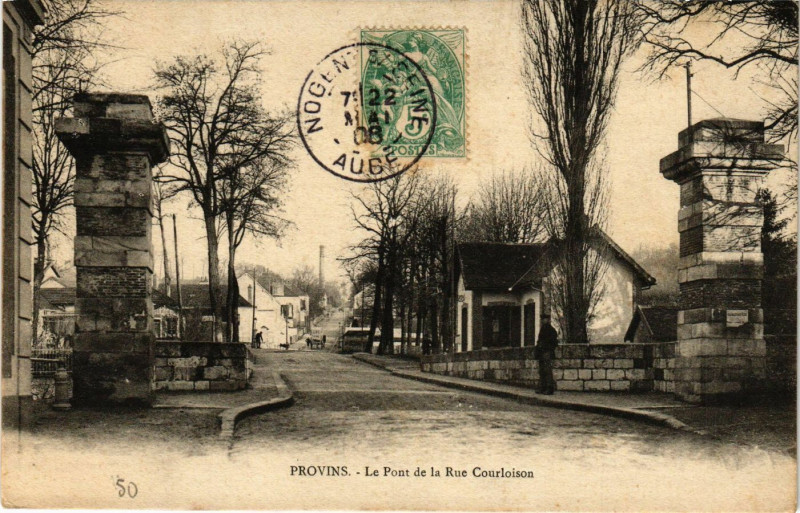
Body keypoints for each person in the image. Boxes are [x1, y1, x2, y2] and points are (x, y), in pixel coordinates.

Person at [535, 315, 559, 395]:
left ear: (548, 320)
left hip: (547, 352)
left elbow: (554, 342)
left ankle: (549, 388)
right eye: (542, 319)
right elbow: (539, 341)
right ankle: (542, 387)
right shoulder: (543, 329)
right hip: (542, 352)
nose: (543, 321)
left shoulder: (551, 330)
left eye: (544, 319)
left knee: (547, 370)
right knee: (542, 370)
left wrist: (547, 347)